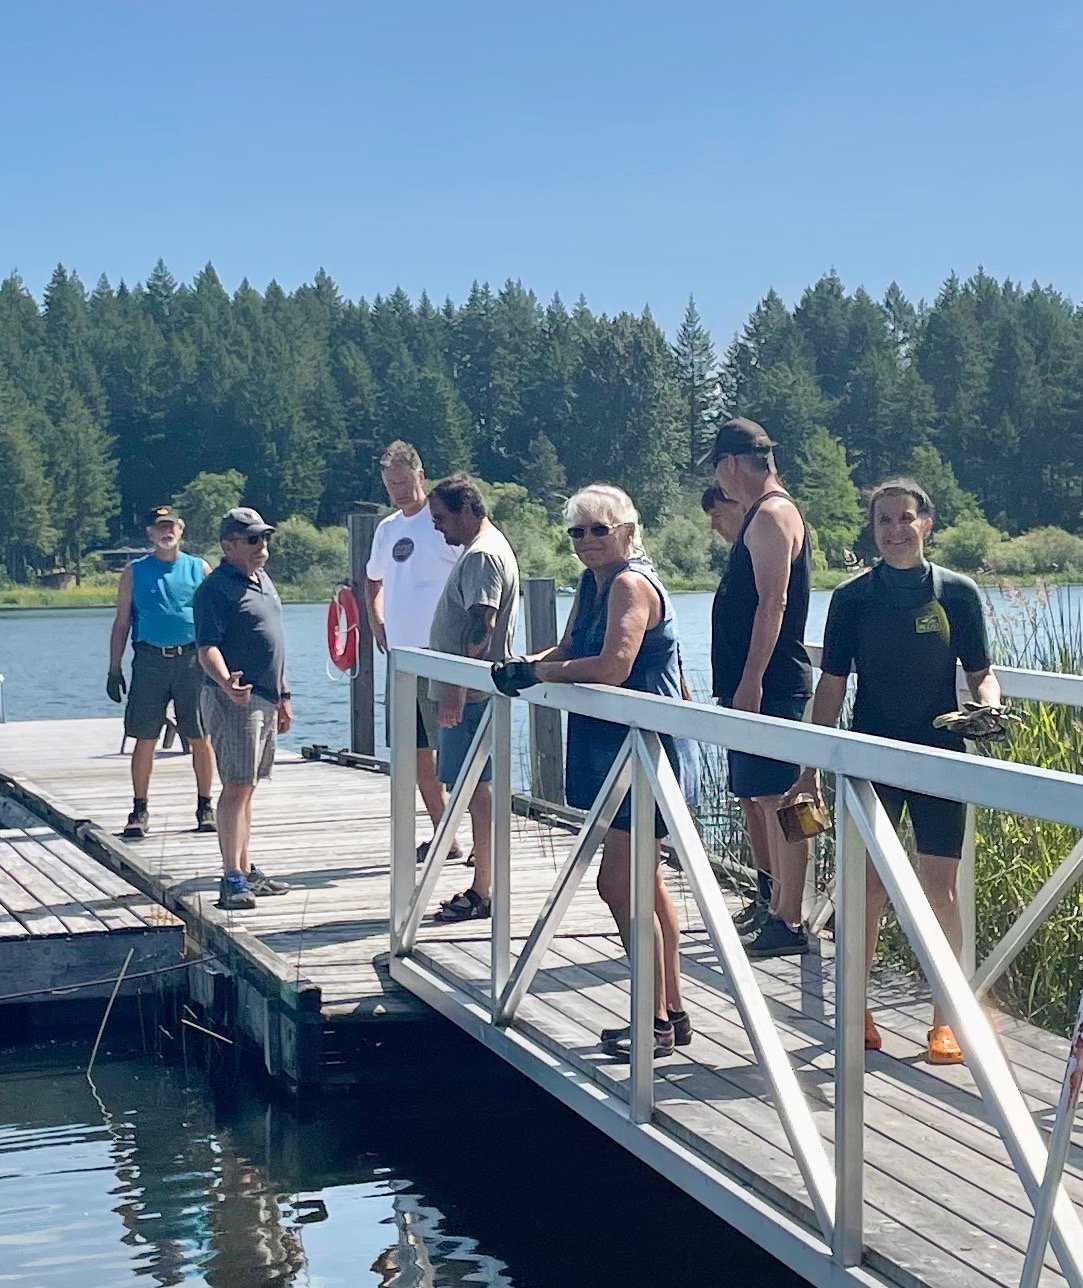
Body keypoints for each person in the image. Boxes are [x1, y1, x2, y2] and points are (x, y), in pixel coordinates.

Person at [783, 478, 1002, 1064]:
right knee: (868, 889)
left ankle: (946, 1019)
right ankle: (855, 1009)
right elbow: (833, 685)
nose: (895, 530)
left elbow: (981, 672)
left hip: (939, 756)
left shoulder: (957, 593)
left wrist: (988, 706)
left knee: (940, 890)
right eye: (884, 521)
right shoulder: (852, 598)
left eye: (906, 518)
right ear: (872, 529)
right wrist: (811, 766)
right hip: (870, 759)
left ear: (926, 523)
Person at [493, 485, 700, 1061]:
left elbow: (614, 666)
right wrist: (523, 665)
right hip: (612, 747)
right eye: (577, 532)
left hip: (643, 750)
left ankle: (651, 1023)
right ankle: (672, 1011)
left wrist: (539, 678)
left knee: (621, 884)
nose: (586, 541)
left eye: (599, 529)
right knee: (645, 882)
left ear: (628, 532)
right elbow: (566, 648)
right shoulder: (593, 585)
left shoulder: (631, 584)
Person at [709, 418, 813, 959]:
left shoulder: (771, 515)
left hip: (772, 684)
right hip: (758, 683)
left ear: (730, 464)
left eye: (717, 469)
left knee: (784, 797)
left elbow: (774, 602)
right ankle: (776, 907)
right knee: (765, 795)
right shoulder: (762, 514)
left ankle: (790, 919)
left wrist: (751, 679)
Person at [425, 474, 520, 922]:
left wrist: (456, 689)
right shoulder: (484, 549)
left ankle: (484, 890)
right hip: (473, 693)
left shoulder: (482, 555)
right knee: (475, 789)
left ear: (466, 509)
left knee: (476, 790)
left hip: (473, 696)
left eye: (441, 518)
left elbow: (482, 625)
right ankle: (485, 880)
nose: (437, 527)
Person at [364, 441, 463, 863]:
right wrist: (377, 621)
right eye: (391, 485)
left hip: (440, 655)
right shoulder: (386, 529)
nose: (399, 491)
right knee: (416, 752)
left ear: (421, 477)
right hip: (401, 660)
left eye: (405, 482)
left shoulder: (442, 522)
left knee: (456, 751)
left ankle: (481, 839)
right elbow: (372, 580)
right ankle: (446, 837)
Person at [194, 507, 293, 911]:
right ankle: (231, 877)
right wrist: (225, 681)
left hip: (266, 698)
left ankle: (246, 868)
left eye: (264, 538)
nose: (261, 546)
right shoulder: (215, 590)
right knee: (236, 787)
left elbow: (275, 641)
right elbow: (206, 647)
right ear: (228, 545)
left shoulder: (262, 580)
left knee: (248, 787)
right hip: (235, 699)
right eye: (252, 539)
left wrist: (284, 696)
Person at [107, 505, 216, 839]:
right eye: (159, 527)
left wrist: (223, 666)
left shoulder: (199, 568)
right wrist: (114, 668)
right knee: (145, 737)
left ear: (181, 529)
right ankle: (139, 809)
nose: (166, 532)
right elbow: (122, 622)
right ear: (150, 533)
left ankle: (205, 806)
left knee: (200, 736)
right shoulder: (134, 572)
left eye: (171, 526)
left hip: (192, 661)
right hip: (150, 660)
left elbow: (217, 619)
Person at [701, 484, 775, 934]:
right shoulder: (738, 559)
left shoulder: (765, 534)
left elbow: (774, 605)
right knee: (748, 795)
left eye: (717, 510)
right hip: (734, 692)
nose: (713, 522)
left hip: (761, 693)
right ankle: (765, 894)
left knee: (775, 799)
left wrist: (752, 680)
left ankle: (784, 904)